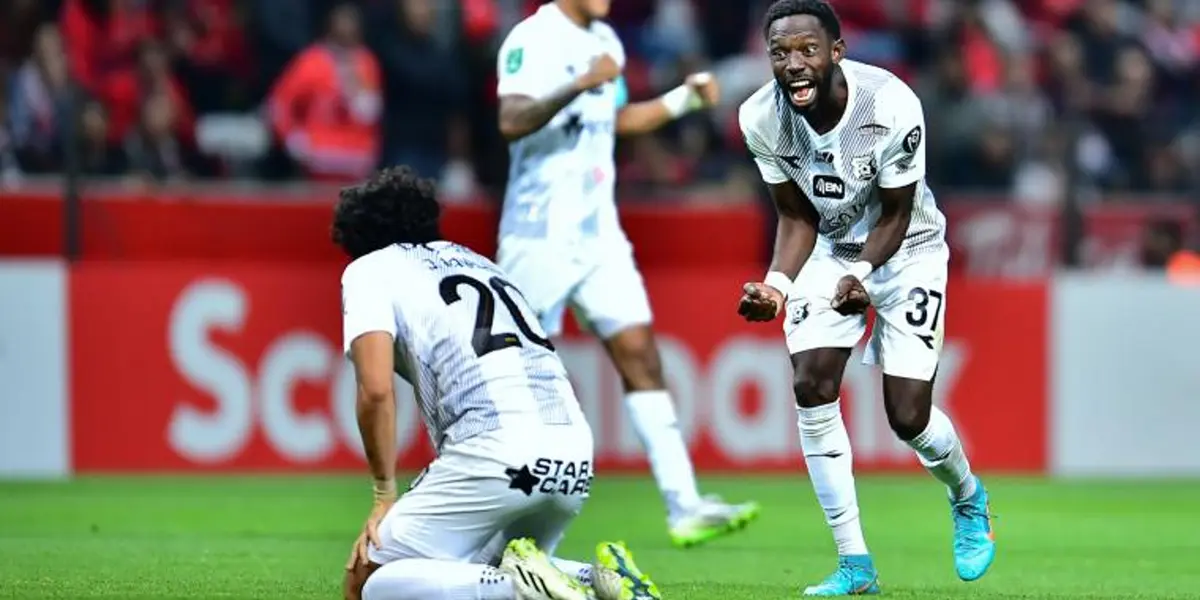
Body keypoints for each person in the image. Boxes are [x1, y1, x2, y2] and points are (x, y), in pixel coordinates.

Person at [735, 1, 996, 595]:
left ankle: (967, 494)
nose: (794, 64)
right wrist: (776, 287)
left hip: (907, 251)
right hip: (828, 249)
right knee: (811, 384)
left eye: (807, 50)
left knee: (907, 417)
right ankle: (856, 564)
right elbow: (795, 216)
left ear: (837, 51)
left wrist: (866, 274)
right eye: (780, 53)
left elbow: (898, 212)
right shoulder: (759, 117)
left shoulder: (891, 103)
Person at [494, 0, 759, 548]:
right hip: (538, 234)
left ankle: (684, 506)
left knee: (641, 354)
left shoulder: (607, 42)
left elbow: (612, 119)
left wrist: (682, 99)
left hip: (598, 233)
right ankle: (504, 516)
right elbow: (511, 120)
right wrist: (577, 83)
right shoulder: (532, 39)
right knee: (523, 378)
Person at [334, 166, 661, 600]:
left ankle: (518, 588)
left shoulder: (369, 270)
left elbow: (375, 390)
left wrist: (383, 494)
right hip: (574, 456)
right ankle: (599, 582)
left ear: (356, 244)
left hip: (495, 452)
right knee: (461, 568)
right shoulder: (484, 265)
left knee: (368, 579)